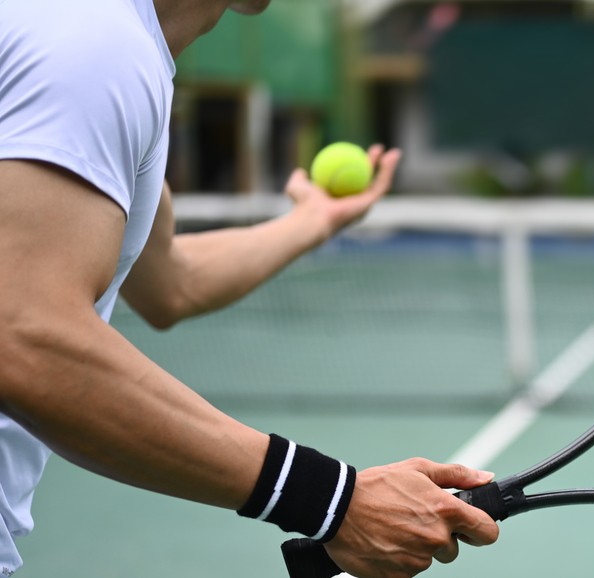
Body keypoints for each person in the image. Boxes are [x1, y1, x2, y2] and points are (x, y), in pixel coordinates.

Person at [0, 1, 499, 577]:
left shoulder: (97, 39)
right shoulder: (93, 47)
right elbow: (26, 334)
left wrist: (312, 222)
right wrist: (334, 500)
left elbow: (171, 282)